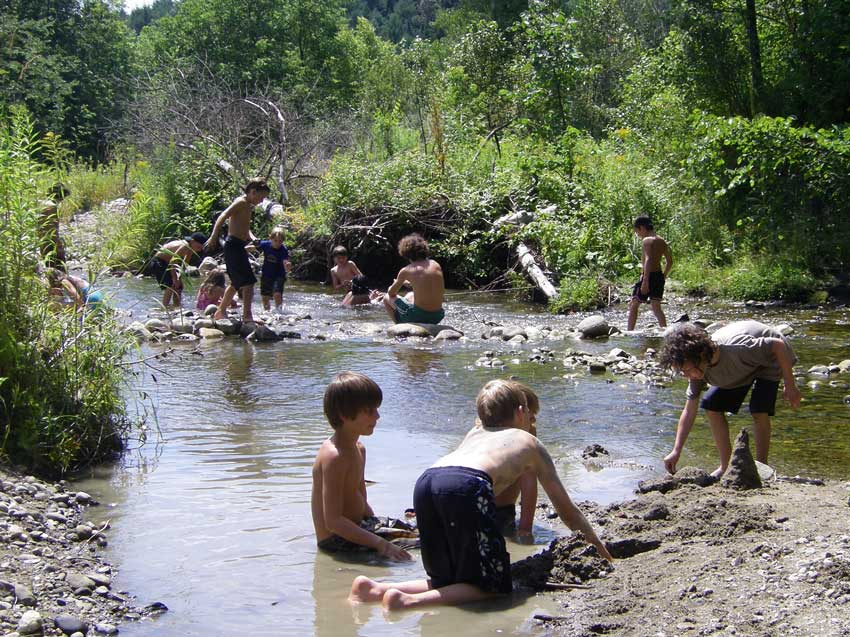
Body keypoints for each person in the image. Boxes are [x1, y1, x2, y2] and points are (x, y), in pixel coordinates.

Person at [349, 379, 612, 610]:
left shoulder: (475, 433)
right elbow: (568, 512)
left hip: (427, 481)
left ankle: (376, 590)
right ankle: (406, 602)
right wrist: (604, 554)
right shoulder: (529, 442)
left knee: (449, 581)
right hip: (467, 484)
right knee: (493, 586)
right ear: (522, 412)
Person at [660, 320, 802, 478]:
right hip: (742, 368)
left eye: (686, 370)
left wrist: (790, 385)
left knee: (759, 409)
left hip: (771, 359)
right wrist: (676, 450)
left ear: (700, 355)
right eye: (681, 372)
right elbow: (689, 410)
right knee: (711, 404)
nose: (686, 376)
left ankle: (763, 468)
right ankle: (726, 466)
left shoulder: (737, 349)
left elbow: (778, 345)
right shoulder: (697, 371)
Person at [311, 372, 413, 561]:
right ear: (344, 415)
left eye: (376, 409)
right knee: (415, 549)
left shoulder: (359, 448)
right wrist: (380, 543)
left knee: (420, 532)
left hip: (360, 526)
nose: (378, 415)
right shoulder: (334, 457)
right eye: (369, 411)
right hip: (337, 540)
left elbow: (360, 498)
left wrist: (377, 525)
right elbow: (332, 521)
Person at [204, 178, 270, 324]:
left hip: (239, 245)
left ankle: (220, 312)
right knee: (249, 282)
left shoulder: (248, 205)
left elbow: (246, 228)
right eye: (261, 197)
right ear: (253, 192)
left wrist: (253, 238)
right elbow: (223, 215)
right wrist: (214, 236)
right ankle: (247, 316)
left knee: (236, 282)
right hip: (233, 245)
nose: (261, 201)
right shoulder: (241, 202)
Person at [372, 233, 445, 325]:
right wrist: (410, 284)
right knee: (410, 294)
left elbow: (391, 293)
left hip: (420, 316)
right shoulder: (435, 264)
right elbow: (428, 286)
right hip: (438, 315)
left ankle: (399, 325)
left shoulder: (406, 270)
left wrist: (396, 284)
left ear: (406, 254)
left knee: (386, 297)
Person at [627, 216, 672, 331]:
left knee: (634, 305)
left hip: (648, 276)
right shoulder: (662, 241)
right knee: (657, 307)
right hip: (658, 276)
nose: (638, 234)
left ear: (642, 228)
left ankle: (629, 332)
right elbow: (669, 261)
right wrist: (664, 275)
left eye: (637, 231)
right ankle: (664, 331)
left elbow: (648, 260)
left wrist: (645, 280)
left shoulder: (647, 241)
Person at [145, 233, 207, 308]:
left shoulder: (190, 249)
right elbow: (173, 262)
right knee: (170, 285)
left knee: (179, 286)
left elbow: (184, 265)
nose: (200, 249)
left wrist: (179, 277)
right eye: (199, 247)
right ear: (193, 241)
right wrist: (175, 278)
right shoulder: (184, 246)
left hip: (168, 264)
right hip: (158, 262)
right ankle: (165, 308)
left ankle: (177, 306)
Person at [256, 226, 292, 313]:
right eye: (275, 240)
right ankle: (267, 312)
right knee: (265, 296)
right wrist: (244, 250)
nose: (277, 243)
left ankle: (279, 311)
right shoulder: (266, 244)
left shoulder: (283, 249)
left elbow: (285, 261)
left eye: (280, 241)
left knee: (277, 293)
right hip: (266, 274)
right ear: (270, 239)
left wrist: (287, 267)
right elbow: (254, 247)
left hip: (279, 275)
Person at [39, 183, 69, 271]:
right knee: (59, 273)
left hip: (42, 243)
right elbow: (53, 229)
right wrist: (59, 247)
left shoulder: (41, 204)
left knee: (48, 271)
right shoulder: (52, 207)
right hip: (51, 244)